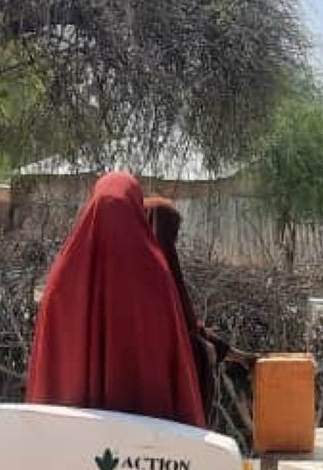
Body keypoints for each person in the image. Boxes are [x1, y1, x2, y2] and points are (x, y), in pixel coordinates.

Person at [26, 172, 207, 427]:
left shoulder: (60, 280)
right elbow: (171, 357)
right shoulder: (154, 276)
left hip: (69, 436)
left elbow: (50, 363)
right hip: (142, 449)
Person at [143, 196, 257, 425]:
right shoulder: (154, 278)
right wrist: (205, 353)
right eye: (171, 234)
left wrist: (238, 355)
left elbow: (187, 326)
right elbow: (178, 336)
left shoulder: (154, 272)